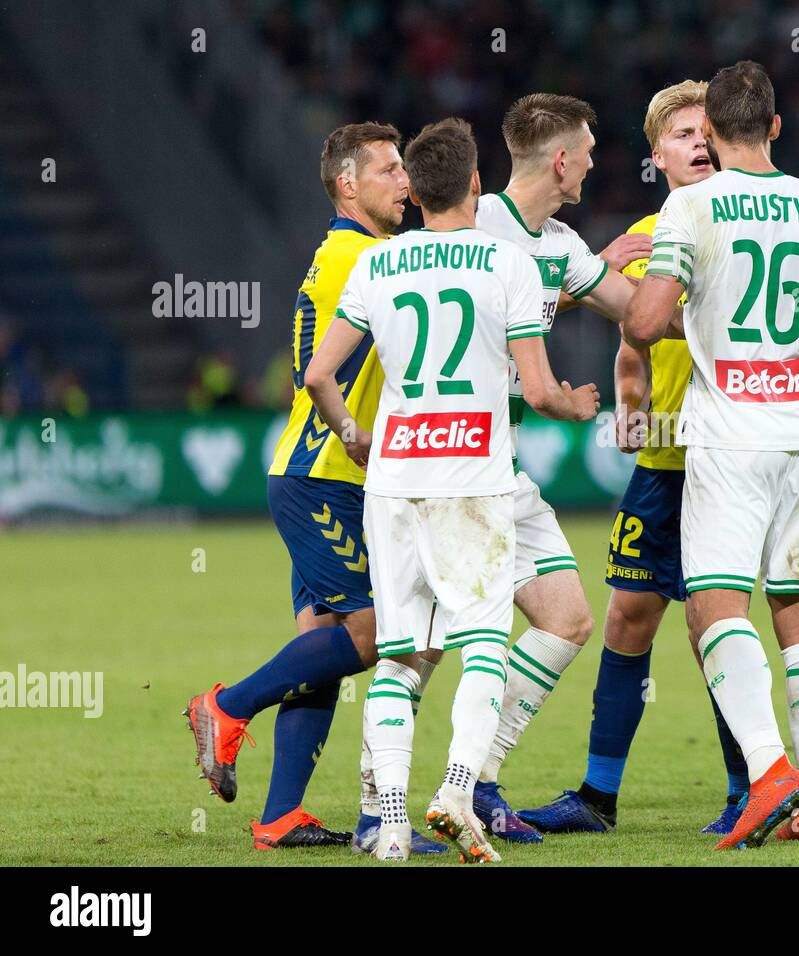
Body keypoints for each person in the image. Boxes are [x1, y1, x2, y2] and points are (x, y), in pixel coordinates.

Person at [304, 117, 599, 862]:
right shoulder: (509, 266)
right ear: (474, 183)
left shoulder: (380, 264)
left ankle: (391, 822)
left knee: (401, 657)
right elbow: (535, 389)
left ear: (417, 186)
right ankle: (460, 791)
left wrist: (353, 433)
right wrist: (576, 404)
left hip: (395, 481)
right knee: (481, 651)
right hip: (472, 479)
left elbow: (316, 376)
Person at [624, 61, 799, 849]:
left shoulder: (689, 206)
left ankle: (769, 772)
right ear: (773, 127)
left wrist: (681, 304)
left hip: (732, 436)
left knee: (713, 609)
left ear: (716, 131)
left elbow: (645, 321)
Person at [184, 122, 442, 852]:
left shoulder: (345, 254)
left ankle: (280, 815)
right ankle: (225, 707)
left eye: (406, 169)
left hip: (318, 477)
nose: (406, 182)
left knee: (323, 645)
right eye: (390, 170)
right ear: (347, 184)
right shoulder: (367, 258)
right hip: (322, 480)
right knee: (373, 635)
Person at [517, 80, 752, 837]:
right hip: (664, 463)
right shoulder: (650, 232)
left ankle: (751, 789)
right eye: (683, 133)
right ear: (657, 155)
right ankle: (597, 797)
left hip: (731, 461)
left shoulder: (752, 224)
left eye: (710, 130)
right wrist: (630, 401)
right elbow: (631, 342)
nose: (700, 142)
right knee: (627, 618)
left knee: (715, 629)